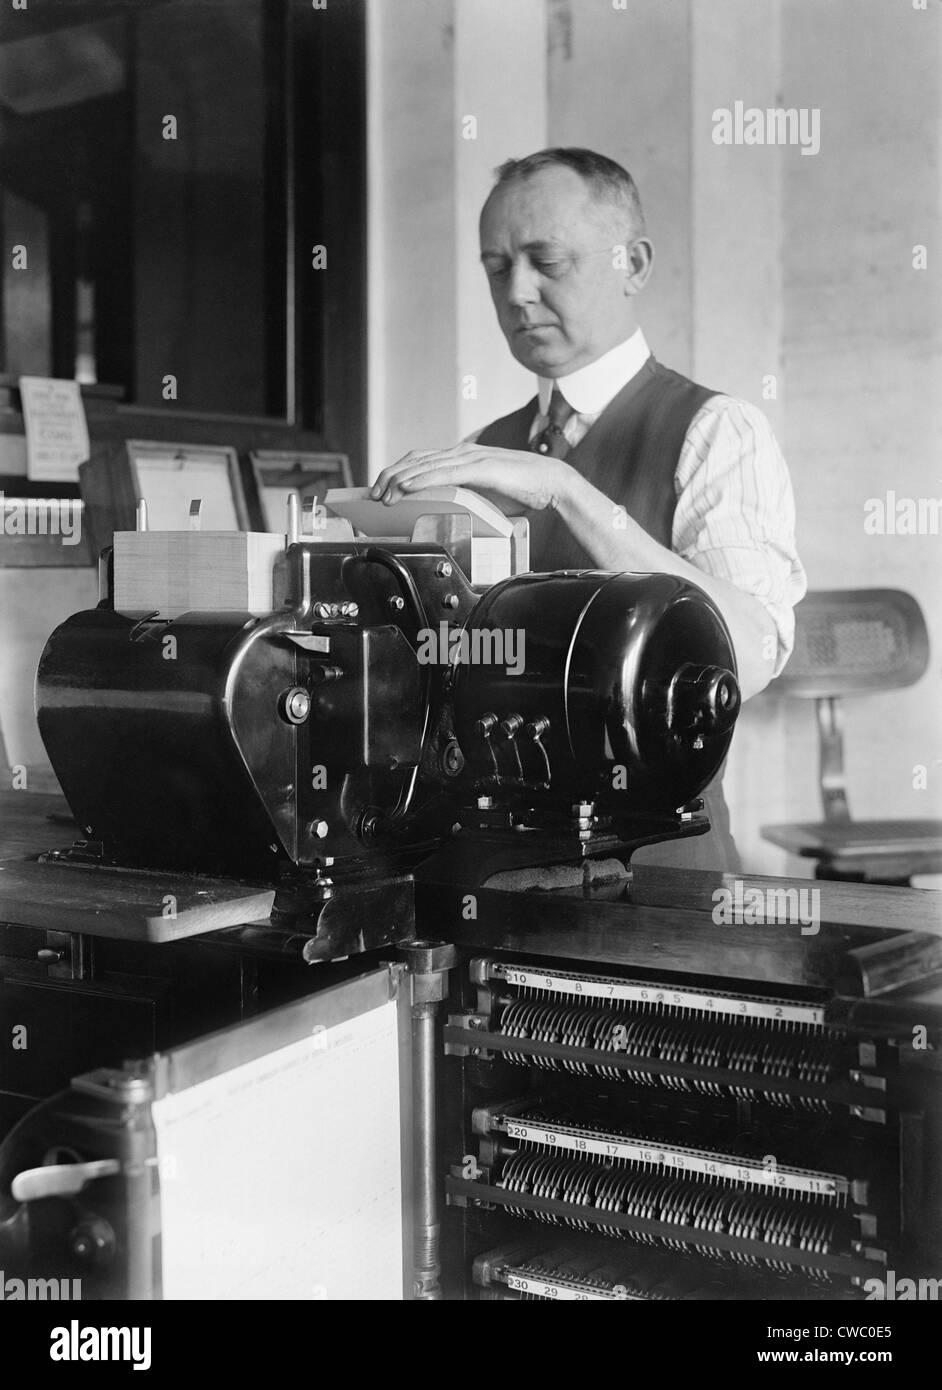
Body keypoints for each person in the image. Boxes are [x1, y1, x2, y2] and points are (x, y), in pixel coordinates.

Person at [370, 148, 806, 870]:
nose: (518, 291)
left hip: (663, 873)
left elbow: (752, 656)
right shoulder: (483, 449)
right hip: (499, 871)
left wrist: (565, 489)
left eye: (548, 260)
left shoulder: (716, 431)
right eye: (496, 266)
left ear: (633, 264)